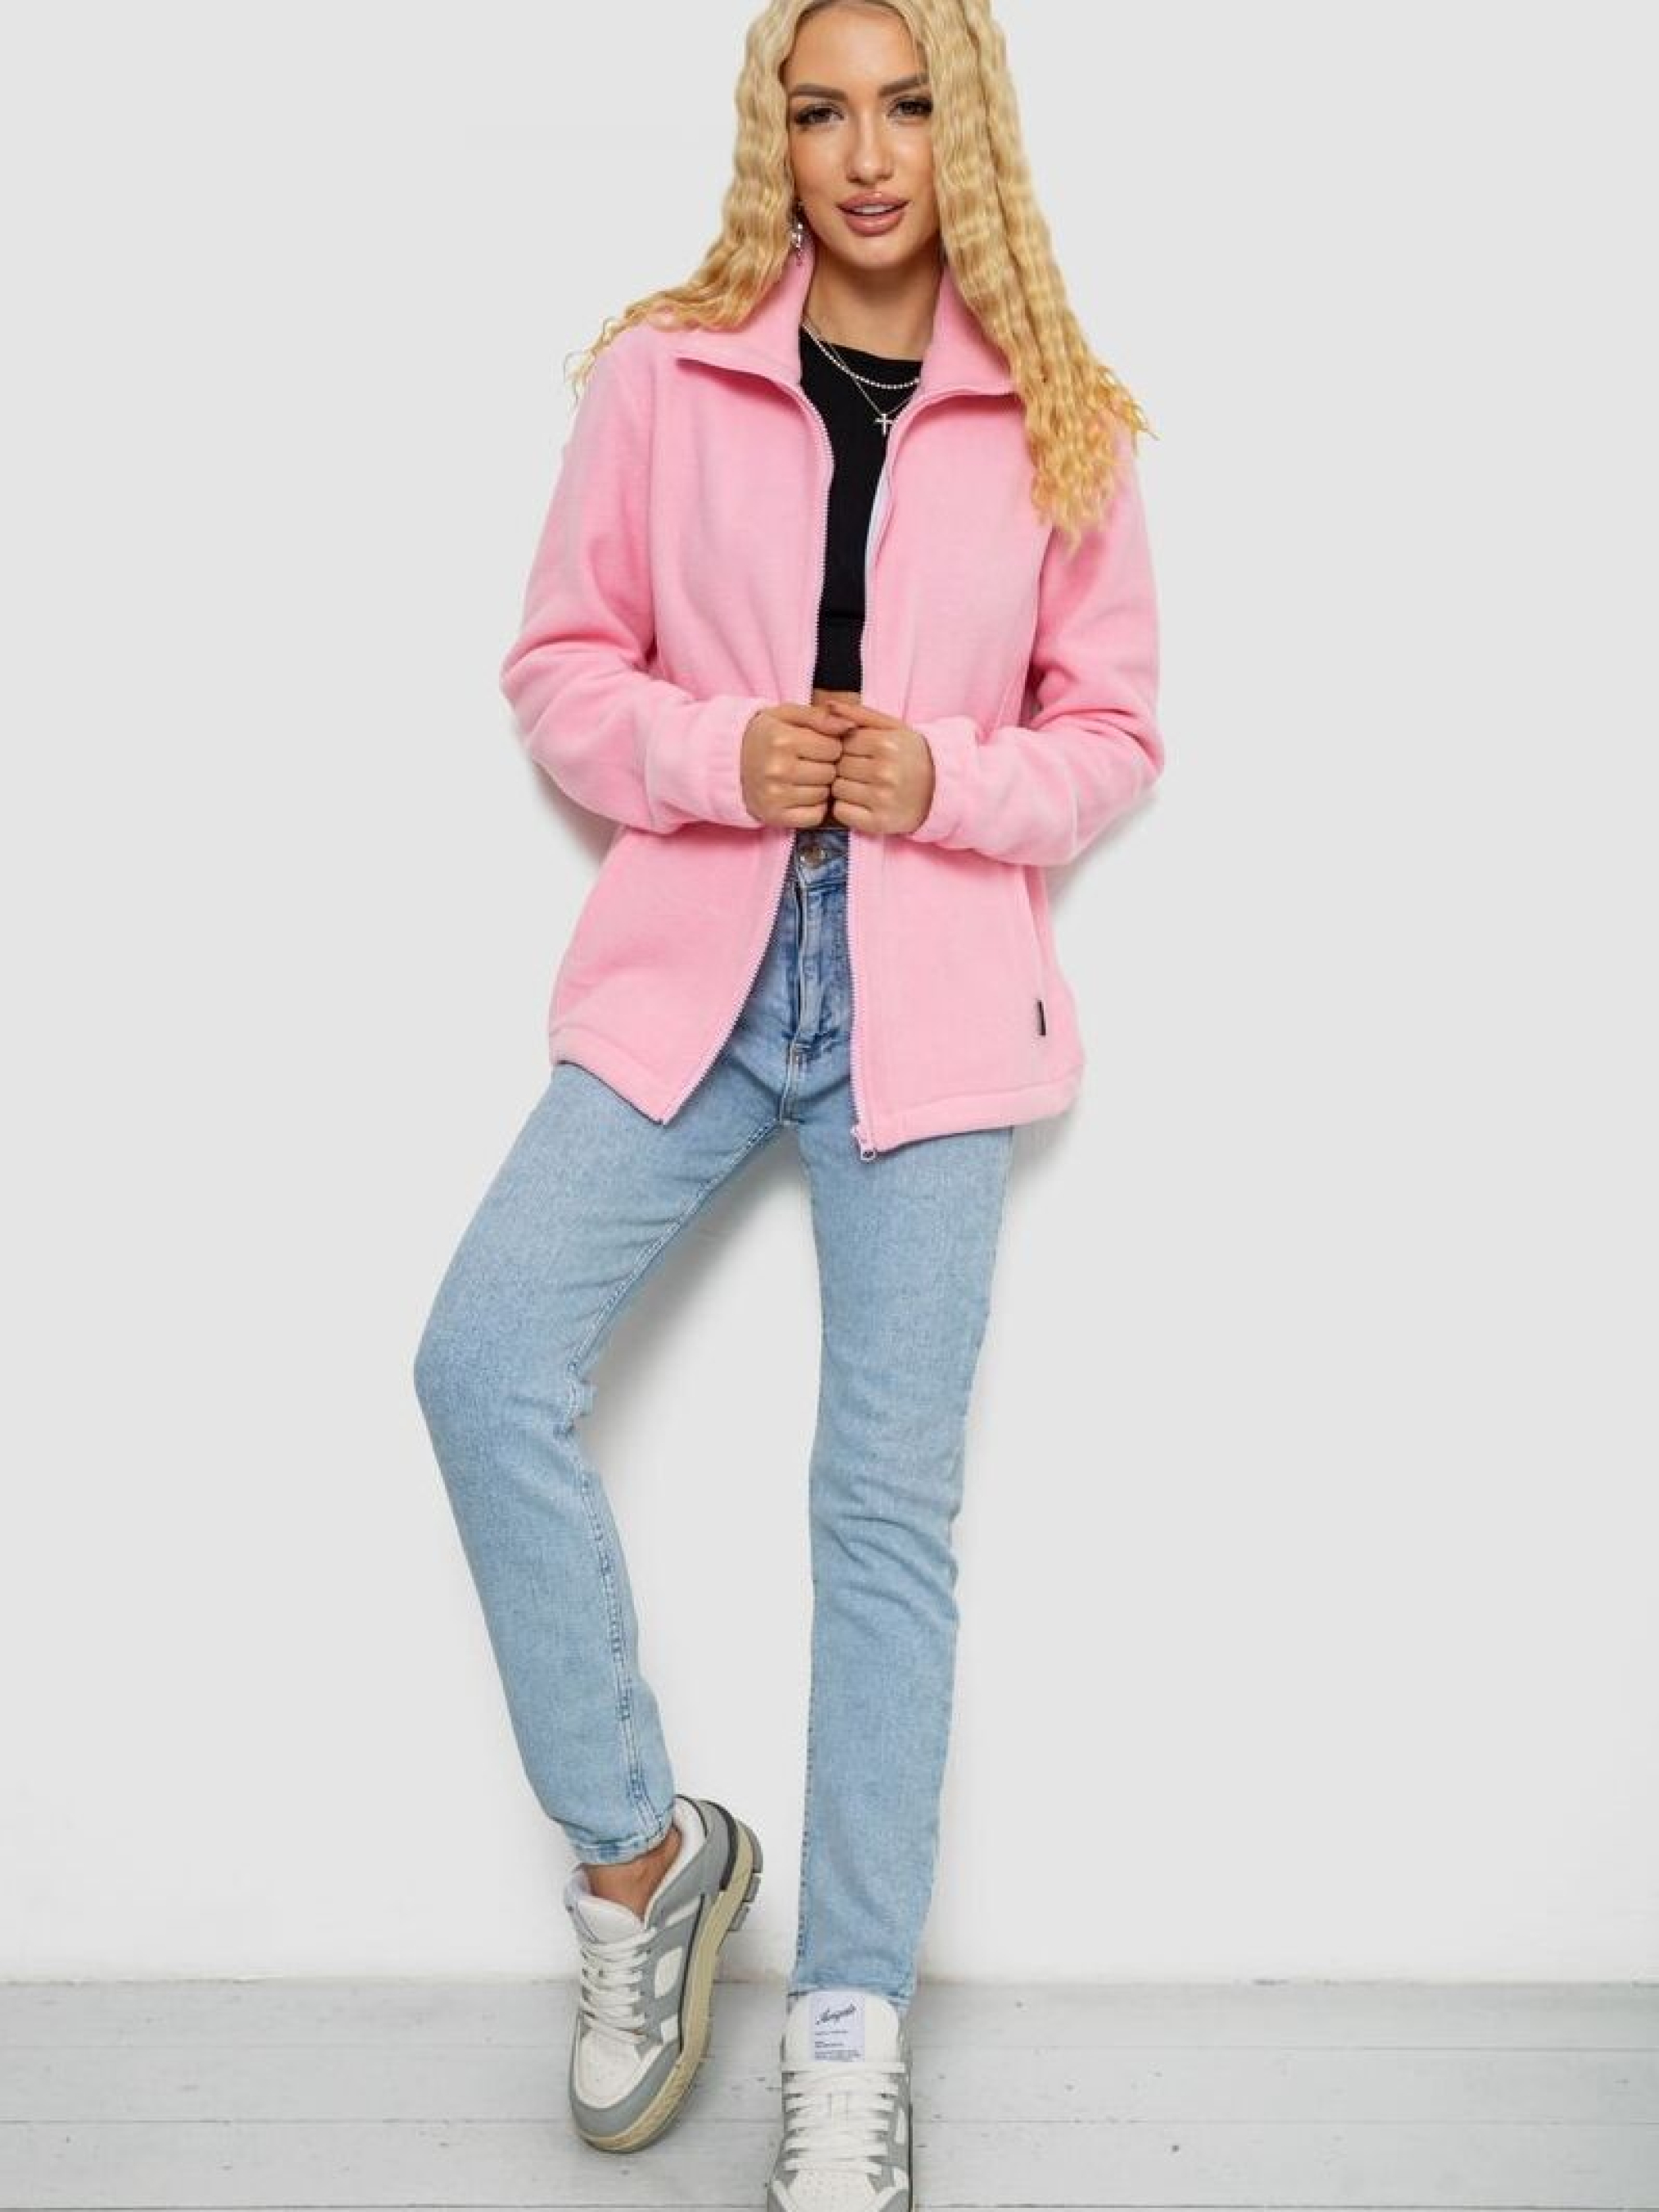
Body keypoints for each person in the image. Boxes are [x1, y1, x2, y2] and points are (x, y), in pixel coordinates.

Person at [412, 1, 1163, 2203]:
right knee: (480, 1359)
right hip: (701, 970)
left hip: (934, 996)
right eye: (821, 109)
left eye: (908, 104)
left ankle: (849, 2021)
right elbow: (561, 667)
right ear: (776, 135)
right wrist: (715, 751)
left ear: (966, 126)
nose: (866, 151)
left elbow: (1113, 732)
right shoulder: (663, 377)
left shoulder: (1060, 412)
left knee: (881, 1508)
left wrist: (950, 779)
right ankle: (646, 1865)